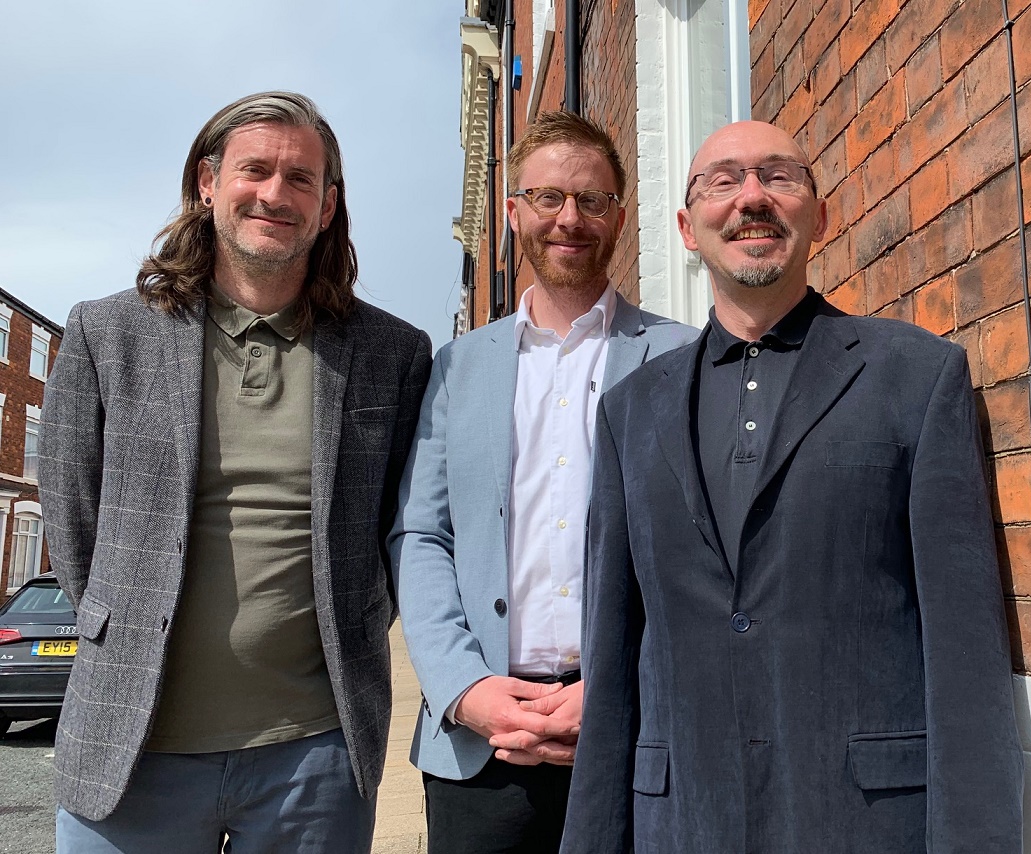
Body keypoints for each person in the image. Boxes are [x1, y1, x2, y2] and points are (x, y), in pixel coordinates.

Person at [561, 120, 1024, 852]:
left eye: (780, 177)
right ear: (687, 226)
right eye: (724, 180)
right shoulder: (629, 413)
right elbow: (613, 663)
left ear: (820, 214)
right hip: (682, 825)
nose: (752, 197)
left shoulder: (916, 378)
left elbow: (966, 659)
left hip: (864, 825)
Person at [38, 91, 432, 853]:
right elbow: (74, 522)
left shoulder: (394, 354)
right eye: (256, 170)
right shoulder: (106, 332)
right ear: (207, 182)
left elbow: (394, 535)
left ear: (328, 206)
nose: (275, 194)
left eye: (301, 179)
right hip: (132, 749)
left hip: (312, 756)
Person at [388, 110, 696, 854]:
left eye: (592, 200)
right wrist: (466, 690)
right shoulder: (457, 367)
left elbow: (699, 554)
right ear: (515, 211)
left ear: (620, 216)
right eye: (550, 197)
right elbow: (421, 534)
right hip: (481, 746)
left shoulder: (681, 358)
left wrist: (622, 685)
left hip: (636, 734)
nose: (571, 219)